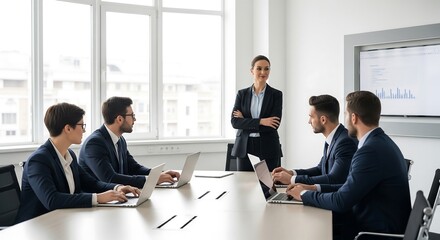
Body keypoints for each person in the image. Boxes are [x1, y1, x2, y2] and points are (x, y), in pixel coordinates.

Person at [287, 91, 411, 239]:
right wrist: (312, 188)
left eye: (346, 114)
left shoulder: (370, 151)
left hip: (372, 232)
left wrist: (303, 195)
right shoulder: (380, 143)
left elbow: (341, 201)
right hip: (377, 223)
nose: (344, 120)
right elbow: (349, 187)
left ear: (354, 118)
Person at [16, 103, 140, 223]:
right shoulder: (38, 161)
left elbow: (91, 183)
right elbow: (52, 200)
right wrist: (98, 198)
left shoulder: (69, 155)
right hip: (36, 227)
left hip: (63, 220)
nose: (84, 131)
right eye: (82, 125)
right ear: (68, 128)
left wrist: (117, 188)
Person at [78, 96, 180, 189]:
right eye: (132, 115)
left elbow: (133, 168)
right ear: (119, 119)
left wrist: (158, 174)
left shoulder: (120, 140)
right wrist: (151, 180)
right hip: (99, 202)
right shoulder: (94, 144)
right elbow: (109, 178)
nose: (134, 119)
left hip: (118, 197)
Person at [272, 94, 357, 186]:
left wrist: (292, 180)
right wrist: (291, 173)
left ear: (323, 120)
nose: (309, 121)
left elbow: (335, 179)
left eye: (311, 117)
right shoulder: (333, 139)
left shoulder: (344, 142)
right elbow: (320, 169)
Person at [230, 55, 283, 172]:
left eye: (266, 68)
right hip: (245, 146)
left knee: (268, 186)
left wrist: (245, 121)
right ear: (252, 71)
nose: (263, 72)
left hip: (268, 146)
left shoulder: (276, 95)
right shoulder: (241, 94)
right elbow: (235, 122)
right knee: (244, 185)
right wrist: (261, 121)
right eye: (259, 68)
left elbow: (274, 125)